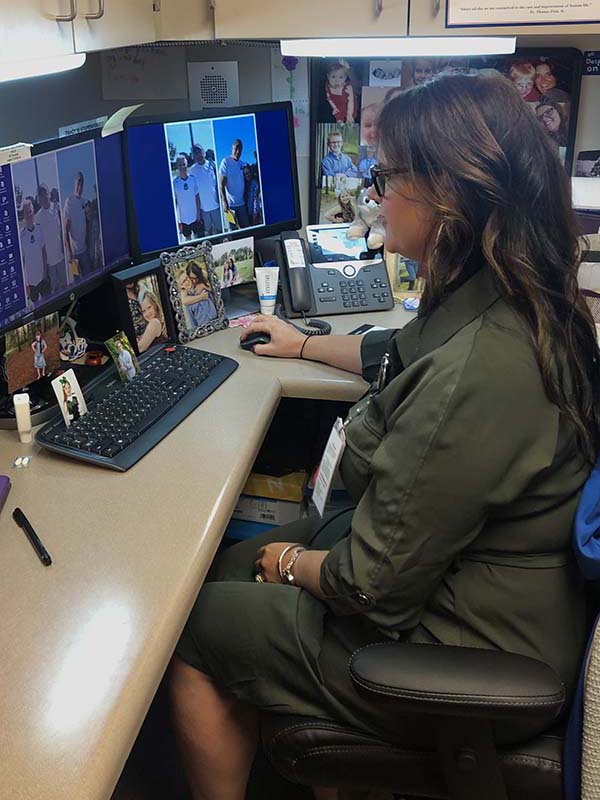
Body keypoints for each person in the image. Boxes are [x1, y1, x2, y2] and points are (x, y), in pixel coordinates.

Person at [170, 73, 600, 800]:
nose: (374, 195)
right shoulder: (508, 294)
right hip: (471, 582)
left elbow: (367, 586)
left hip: (467, 651)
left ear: (449, 196)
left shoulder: (485, 372)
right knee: (224, 563)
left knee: (197, 623)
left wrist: (287, 561)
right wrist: (303, 343)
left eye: (386, 176)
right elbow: (398, 353)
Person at [36, 183, 66, 292]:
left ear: (49, 194)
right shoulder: (37, 218)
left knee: (68, 287)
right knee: (56, 293)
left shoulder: (57, 208)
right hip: (50, 265)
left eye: (45, 193)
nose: (43, 197)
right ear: (38, 198)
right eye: (40, 195)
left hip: (62, 258)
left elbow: (64, 229)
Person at [189, 144, 223, 236]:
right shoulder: (192, 171)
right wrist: (197, 213)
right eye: (195, 153)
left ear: (203, 153)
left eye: (199, 151)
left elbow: (220, 184)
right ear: (193, 156)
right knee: (208, 233)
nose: (198, 155)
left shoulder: (213, 165)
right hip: (204, 210)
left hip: (217, 207)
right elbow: (193, 193)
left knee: (221, 231)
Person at [20, 199, 49, 304]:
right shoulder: (21, 235)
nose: (29, 215)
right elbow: (22, 261)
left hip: (42, 278)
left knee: (47, 308)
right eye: (26, 212)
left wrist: (45, 273)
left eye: (30, 211)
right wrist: (25, 283)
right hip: (31, 283)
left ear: (33, 212)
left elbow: (44, 252)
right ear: (23, 214)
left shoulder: (39, 229)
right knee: (36, 313)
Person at [64, 171, 92, 277]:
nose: (80, 186)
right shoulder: (69, 202)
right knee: (76, 282)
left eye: (82, 183)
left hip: (85, 251)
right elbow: (65, 230)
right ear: (74, 183)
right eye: (78, 182)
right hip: (74, 255)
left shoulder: (85, 202)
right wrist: (69, 253)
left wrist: (89, 211)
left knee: (89, 278)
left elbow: (90, 220)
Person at [219, 140, 250, 230]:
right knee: (231, 230)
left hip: (242, 204)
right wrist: (224, 202)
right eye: (236, 148)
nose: (238, 152)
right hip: (230, 206)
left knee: (246, 229)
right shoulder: (225, 162)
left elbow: (247, 180)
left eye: (240, 149)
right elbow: (221, 185)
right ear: (232, 148)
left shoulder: (242, 164)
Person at [179, 262, 217, 329]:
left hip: (214, 316)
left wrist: (203, 285)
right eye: (191, 278)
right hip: (201, 324)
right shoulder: (185, 291)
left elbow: (215, 289)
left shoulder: (202, 279)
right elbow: (184, 301)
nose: (193, 280)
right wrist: (201, 297)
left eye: (187, 279)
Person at [173, 155, 203, 241]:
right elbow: (175, 202)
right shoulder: (175, 183)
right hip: (184, 220)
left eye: (184, 164)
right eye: (180, 165)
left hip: (195, 217)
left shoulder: (193, 179)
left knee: (198, 240)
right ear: (177, 166)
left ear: (187, 164)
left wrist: (198, 214)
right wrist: (177, 220)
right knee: (188, 242)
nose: (182, 167)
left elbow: (197, 197)